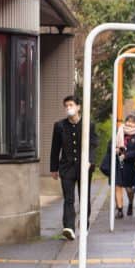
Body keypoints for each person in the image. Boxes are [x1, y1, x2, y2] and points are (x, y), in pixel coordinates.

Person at [49, 95, 99, 240]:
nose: (68, 108)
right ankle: (69, 227)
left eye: (71, 105)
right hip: (66, 167)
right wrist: (54, 168)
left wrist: (90, 160)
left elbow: (93, 143)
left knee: (84, 197)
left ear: (78, 107)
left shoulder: (88, 124)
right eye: (66, 106)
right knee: (68, 198)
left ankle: (84, 225)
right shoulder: (59, 126)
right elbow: (55, 148)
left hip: (84, 167)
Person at [114, 115, 135, 218]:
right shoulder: (120, 131)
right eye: (128, 121)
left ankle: (130, 203)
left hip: (129, 165)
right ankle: (120, 210)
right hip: (118, 164)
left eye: (132, 122)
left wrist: (126, 155)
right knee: (118, 186)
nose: (129, 123)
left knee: (129, 189)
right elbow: (113, 144)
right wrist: (116, 149)